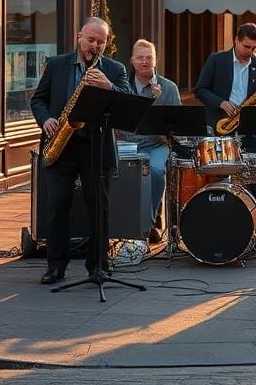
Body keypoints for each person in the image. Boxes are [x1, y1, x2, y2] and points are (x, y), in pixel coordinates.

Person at [30, 17, 131, 285]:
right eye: (90, 40)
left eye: (101, 41)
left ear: (106, 43)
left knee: (98, 207)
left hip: (95, 147)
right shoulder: (56, 65)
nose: (94, 46)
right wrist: (47, 120)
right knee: (57, 205)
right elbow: (38, 100)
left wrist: (108, 86)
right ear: (79, 37)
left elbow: (129, 99)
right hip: (61, 143)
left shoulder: (114, 68)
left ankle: (98, 265)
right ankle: (55, 266)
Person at [121, 39, 180, 244]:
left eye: (149, 58)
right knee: (118, 170)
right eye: (140, 58)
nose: (145, 62)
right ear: (132, 61)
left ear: (156, 61)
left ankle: (145, 226)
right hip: (127, 145)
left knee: (154, 170)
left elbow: (176, 129)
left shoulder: (169, 88)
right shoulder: (123, 86)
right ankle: (124, 224)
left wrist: (155, 103)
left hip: (157, 145)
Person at [194, 22, 256, 154]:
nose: (250, 51)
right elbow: (200, 90)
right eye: (246, 46)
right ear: (236, 40)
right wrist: (221, 103)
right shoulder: (216, 60)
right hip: (219, 124)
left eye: (254, 48)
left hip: (248, 127)